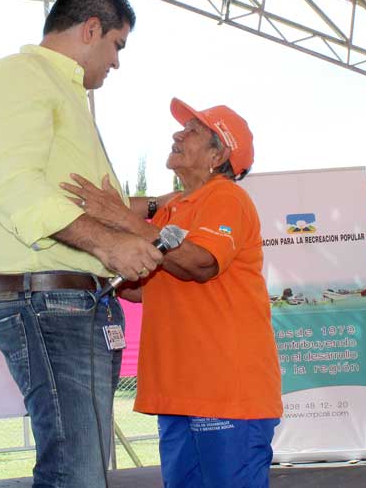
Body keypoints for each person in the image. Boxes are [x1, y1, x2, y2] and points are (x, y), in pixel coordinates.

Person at [0, 0, 163, 488]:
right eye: (117, 45)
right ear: (91, 29)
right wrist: (108, 244)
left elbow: (90, 202)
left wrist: (147, 219)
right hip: (50, 303)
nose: (116, 62)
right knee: (76, 473)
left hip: (79, 303)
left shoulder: (64, 92)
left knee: (83, 469)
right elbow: (14, 187)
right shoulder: (19, 75)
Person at [63, 99, 283, 488]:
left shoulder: (226, 197)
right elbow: (143, 288)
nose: (178, 134)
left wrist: (120, 217)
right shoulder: (173, 211)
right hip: (179, 392)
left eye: (193, 131)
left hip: (225, 389)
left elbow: (201, 263)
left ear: (218, 155)